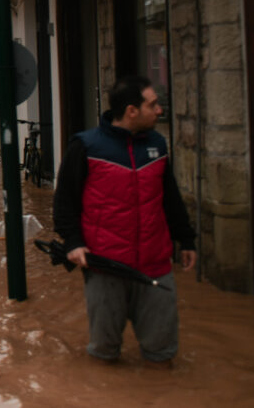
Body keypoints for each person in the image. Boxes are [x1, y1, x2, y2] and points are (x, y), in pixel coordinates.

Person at [53, 75, 196, 364]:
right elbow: (64, 201)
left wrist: (187, 239)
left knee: (162, 355)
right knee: (104, 356)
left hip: (156, 266)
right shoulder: (85, 147)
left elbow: (169, 196)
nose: (159, 110)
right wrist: (73, 242)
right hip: (106, 268)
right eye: (152, 104)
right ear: (132, 111)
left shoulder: (157, 144)